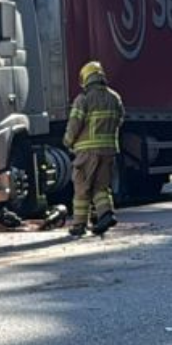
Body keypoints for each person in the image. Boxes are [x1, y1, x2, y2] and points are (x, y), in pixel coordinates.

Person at [63, 61, 125, 237]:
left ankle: (78, 226)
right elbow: (120, 120)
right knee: (101, 186)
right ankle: (106, 214)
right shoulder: (115, 97)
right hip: (109, 150)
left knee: (82, 187)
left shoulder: (83, 99)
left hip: (86, 152)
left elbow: (74, 124)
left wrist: (68, 141)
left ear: (86, 78)